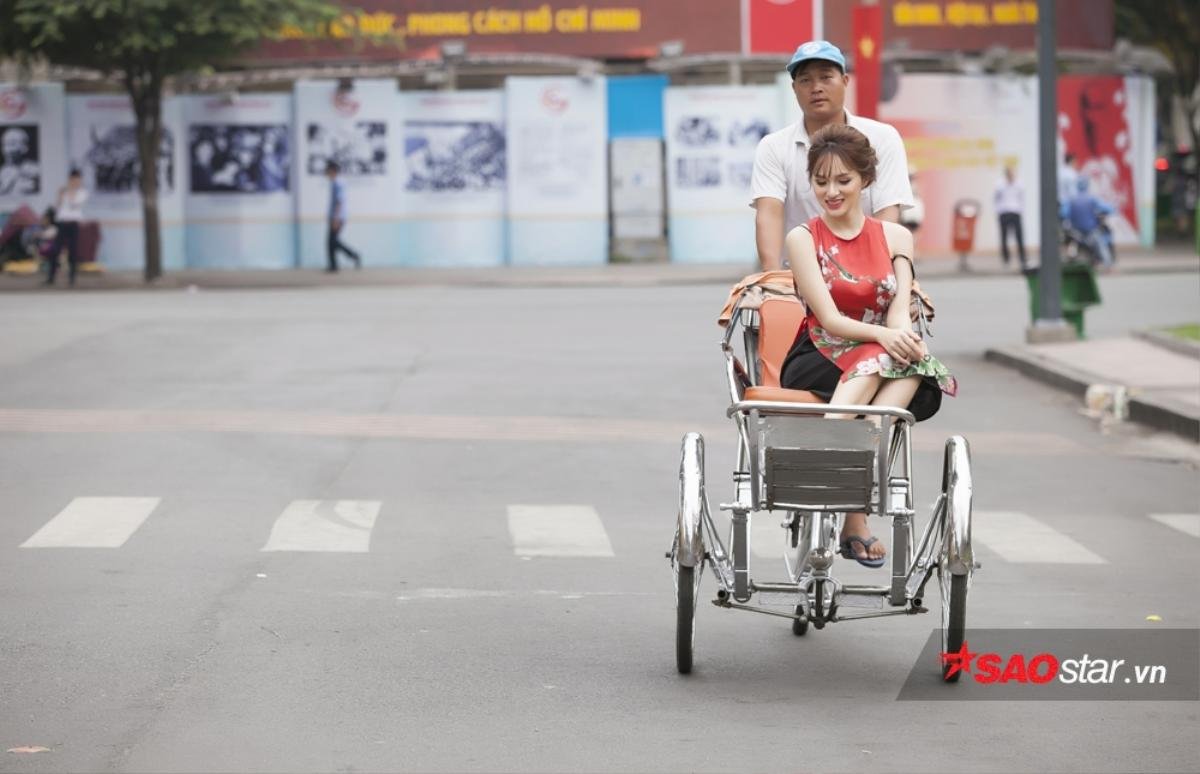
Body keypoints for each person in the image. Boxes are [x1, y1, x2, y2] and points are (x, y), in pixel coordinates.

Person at [780, 125, 957, 567]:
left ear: (865, 180)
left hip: (875, 359)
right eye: (821, 182)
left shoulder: (896, 237)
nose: (831, 191)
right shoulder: (804, 238)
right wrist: (885, 337)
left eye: (843, 180)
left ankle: (845, 458)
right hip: (819, 353)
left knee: (915, 364)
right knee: (890, 356)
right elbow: (829, 319)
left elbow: (897, 308)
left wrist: (903, 336)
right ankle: (852, 465)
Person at [751, 40, 913, 271]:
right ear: (794, 88)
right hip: (799, 277)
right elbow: (769, 213)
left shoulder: (882, 138)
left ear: (845, 81)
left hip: (868, 272)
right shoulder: (773, 147)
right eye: (805, 80)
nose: (816, 87)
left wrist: (874, 276)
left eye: (826, 77)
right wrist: (773, 279)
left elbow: (887, 212)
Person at [45, 169, 88, 286]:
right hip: (62, 224)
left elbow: (74, 203)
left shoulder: (82, 192)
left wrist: (70, 190)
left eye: (77, 180)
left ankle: (72, 279)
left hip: (73, 224)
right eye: (73, 180)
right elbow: (57, 207)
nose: (75, 182)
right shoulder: (63, 191)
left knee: (72, 252)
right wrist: (60, 195)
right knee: (55, 250)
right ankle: (51, 277)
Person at [1064, 176, 1115, 271]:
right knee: (1101, 244)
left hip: (1075, 231)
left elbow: (1064, 213)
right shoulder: (1092, 199)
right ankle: (1108, 266)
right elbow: (1108, 209)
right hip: (1090, 231)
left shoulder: (1071, 199)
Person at [325, 161, 360, 273]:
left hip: (338, 217)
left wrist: (335, 218)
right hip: (336, 217)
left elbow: (339, 201)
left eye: (328, 170)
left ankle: (353, 255)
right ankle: (334, 265)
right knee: (332, 242)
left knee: (332, 241)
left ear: (333, 170)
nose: (326, 172)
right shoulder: (334, 183)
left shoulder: (338, 183)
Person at [994, 164, 1027, 270]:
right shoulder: (999, 184)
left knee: (1019, 237)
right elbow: (996, 199)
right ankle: (1006, 259)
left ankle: (1023, 259)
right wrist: (998, 211)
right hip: (1004, 212)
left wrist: (1021, 210)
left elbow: (1022, 198)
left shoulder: (1019, 184)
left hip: (1015, 212)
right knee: (1004, 237)